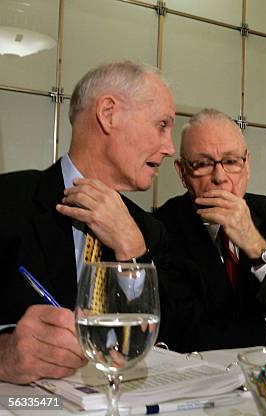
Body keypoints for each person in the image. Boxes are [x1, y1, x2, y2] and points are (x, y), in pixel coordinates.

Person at [0, 61, 175, 383]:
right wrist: (3, 356)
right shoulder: (6, 202)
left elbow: (176, 341)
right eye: (162, 125)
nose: (169, 147)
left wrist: (132, 250)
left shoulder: (149, 230)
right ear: (108, 113)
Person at [154, 108, 266, 352]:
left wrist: (256, 244)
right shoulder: (161, 229)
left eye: (231, 161)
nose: (220, 177)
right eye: (202, 164)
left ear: (247, 166)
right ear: (182, 173)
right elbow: (182, 335)